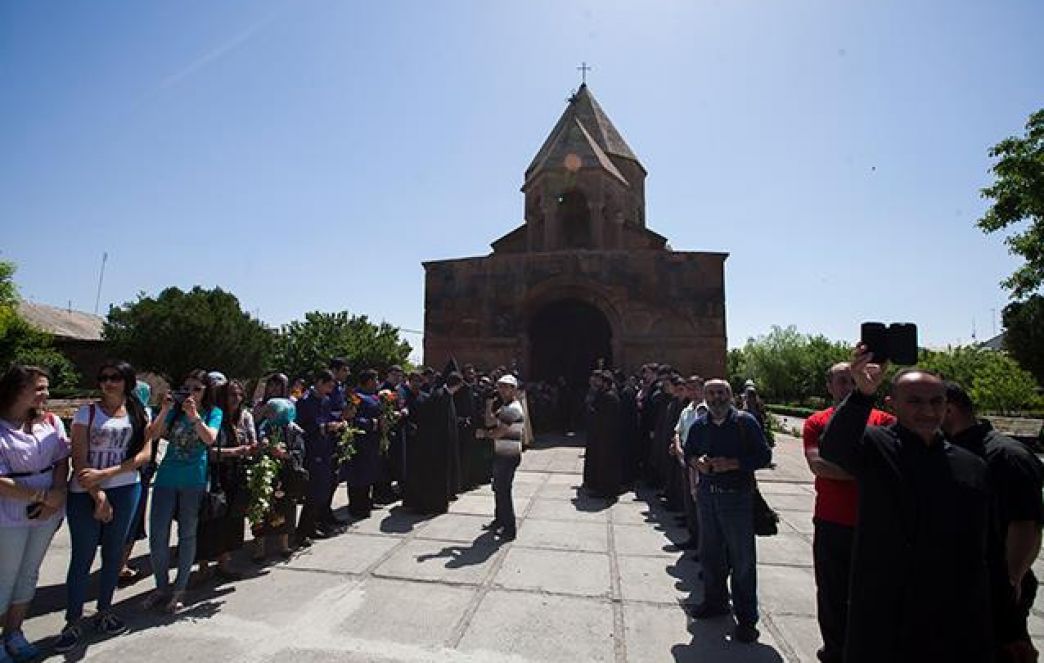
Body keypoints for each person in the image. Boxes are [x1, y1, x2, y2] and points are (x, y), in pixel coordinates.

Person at [820, 348, 993, 662]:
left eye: (936, 401)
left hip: (951, 618)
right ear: (893, 404)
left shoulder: (971, 466)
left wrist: (1008, 627)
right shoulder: (876, 446)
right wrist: (862, 394)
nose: (927, 410)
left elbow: (985, 550)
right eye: (914, 401)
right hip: (885, 615)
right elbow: (834, 447)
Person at [942, 382, 1043, 663]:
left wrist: (1013, 578)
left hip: (995, 584)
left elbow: (1026, 524)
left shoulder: (1006, 456)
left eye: (933, 405)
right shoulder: (950, 448)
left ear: (949, 409)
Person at [57, 361, 153, 652]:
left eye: (114, 378)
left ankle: (104, 611)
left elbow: (145, 455)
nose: (107, 383)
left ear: (127, 382)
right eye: (103, 378)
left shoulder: (139, 413)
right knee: (82, 556)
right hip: (84, 493)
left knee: (113, 554)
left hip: (126, 489)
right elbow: (79, 459)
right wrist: (98, 494)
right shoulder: (86, 413)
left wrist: (107, 474)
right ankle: (73, 620)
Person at [802, 362, 894, 663]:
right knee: (832, 592)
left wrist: (849, 469)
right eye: (842, 381)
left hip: (876, 523)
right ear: (829, 386)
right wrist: (869, 471)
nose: (849, 387)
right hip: (832, 520)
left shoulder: (884, 421)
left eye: (853, 380)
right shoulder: (817, 422)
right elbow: (819, 466)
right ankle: (834, 651)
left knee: (874, 594)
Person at [684, 378, 772, 643]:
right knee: (710, 554)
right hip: (708, 496)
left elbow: (764, 456)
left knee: (742, 559)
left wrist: (733, 464)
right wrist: (698, 463)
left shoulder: (745, 423)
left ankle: (746, 619)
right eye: (711, 393)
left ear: (730, 395)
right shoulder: (700, 425)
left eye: (721, 392)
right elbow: (688, 453)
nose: (716, 398)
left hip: (737, 498)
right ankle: (715, 602)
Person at [0, 365, 69, 663]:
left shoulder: (50, 422)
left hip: (47, 510)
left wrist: (57, 494)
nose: (46, 393)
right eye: (39, 388)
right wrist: (41, 496)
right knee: (5, 576)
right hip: (9, 512)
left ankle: (14, 632)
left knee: (29, 573)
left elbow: (61, 459)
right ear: (17, 390)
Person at [144, 370, 222, 614]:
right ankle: (161, 586)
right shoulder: (174, 411)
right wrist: (165, 409)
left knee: (187, 534)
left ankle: (180, 588)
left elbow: (209, 439)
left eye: (197, 389)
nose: (191, 393)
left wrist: (195, 416)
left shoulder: (213, 413)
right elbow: (153, 434)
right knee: (158, 535)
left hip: (193, 480)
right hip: (166, 478)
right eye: (187, 388)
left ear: (206, 392)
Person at [194, 379, 256, 582]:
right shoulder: (214, 417)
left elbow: (250, 442)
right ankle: (203, 567)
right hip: (214, 474)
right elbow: (208, 451)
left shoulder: (243, 417)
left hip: (235, 475)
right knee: (209, 519)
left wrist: (255, 448)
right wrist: (236, 451)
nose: (236, 399)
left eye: (239, 394)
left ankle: (224, 563)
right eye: (231, 394)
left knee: (231, 520)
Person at [250, 398, 305, 562]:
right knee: (262, 507)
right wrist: (264, 446)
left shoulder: (293, 429)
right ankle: (260, 547)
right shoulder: (264, 427)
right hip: (266, 473)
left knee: (286, 507)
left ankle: (284, 544)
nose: (269, 414)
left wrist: (284, 454)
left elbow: (299, 452)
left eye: (272, 411)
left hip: (287, 474)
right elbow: (256, 444)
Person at [295, 370, 341, 542]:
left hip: (325, 448)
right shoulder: (304, 401)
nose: (329, 390)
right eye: (328, 386)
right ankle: (303, 531)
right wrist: (323, 428)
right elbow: (301, 427)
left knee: (322, 490)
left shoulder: (326, 400)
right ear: (320, 382)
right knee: (313, 491)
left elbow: (327, 418)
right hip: (311, 450)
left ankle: (313, 525)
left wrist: (335, 424)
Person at [117, 380, 155, 587]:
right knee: (131, 520)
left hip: (131, 470)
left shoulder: (123, 413)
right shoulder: (141, 415)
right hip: (135, 471)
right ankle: (120, 566)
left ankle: (118, 564)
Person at [481, 374, 525, 541]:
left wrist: (484, 434)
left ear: (513, 389)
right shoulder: (505, 407)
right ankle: (500, 520)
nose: (502, 390)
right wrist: (488, 405)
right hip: (501, 453)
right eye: (500, 386)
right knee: (498, 489)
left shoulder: (513, 408)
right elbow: (490, 422)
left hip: (509, 455)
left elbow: (498, 432)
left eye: (506, 387)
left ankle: (509, 528)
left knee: (503, 491)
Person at [672, 376, 707, 552]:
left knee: (701, 503)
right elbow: (678, 431)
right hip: (686, 459)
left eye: (695, 388)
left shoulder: (706, 410)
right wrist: (678, 447)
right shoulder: (687, 410)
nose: (692, 392)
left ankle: (704, 545)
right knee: (690, 501)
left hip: (700, 462)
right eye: (690, 388)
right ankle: (693, 538)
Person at [345, 370, 382, 519]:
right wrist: (372, 423)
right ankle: (356, 507)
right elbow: (352, 418)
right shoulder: (356, 397)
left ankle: (366, 502)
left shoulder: (374, 396)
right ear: (369, 381)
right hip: (360, 441)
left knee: (369, 474)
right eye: (375, 380)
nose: (377, 383)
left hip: (372, 441)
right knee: (358, 475)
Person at [583, 370, 623, 498]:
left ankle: (606, 490)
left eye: (600, 381)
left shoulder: (609, 397)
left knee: (606, 463)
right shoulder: (605, 395)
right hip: (604, 435)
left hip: (607, 436)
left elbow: (604, 417)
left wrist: (593, 412)